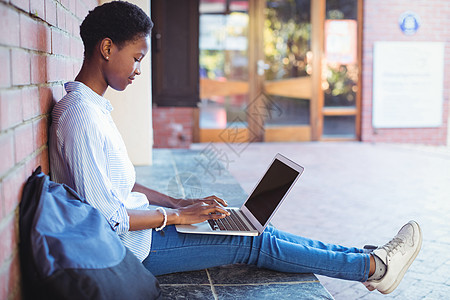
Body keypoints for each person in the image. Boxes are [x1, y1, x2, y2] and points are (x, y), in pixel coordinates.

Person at [48, 1, 422, 295]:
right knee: (254, 242)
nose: (138, 69)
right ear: (107, 48)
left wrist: (179, 204)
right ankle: (375, 267)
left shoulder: (94, 108)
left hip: (144, 230)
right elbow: (107, 218)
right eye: (137, 58)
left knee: (255, 230)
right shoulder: (80, 116)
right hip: (133, 250)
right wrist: (178, 218)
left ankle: (365, 259)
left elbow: (121, 186)